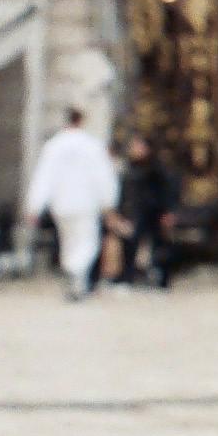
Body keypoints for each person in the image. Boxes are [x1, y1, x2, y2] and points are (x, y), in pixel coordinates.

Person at [25, 108, 120, 300]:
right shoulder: (93, 146)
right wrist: (109, 202)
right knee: (87, 242)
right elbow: (104, 177)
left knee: (68, 241)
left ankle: (71, 271)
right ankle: (78, 273)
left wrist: (34, 205)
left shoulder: (53, 146)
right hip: (86, 203)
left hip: (61, 203)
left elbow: (43, 177)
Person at [105, 134, 177, 288]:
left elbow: (167, 189)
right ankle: (127, 275)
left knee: (158, 246)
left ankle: (160, 278)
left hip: (153, 212)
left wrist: (168, 211)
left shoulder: (156, 168)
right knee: (129, 245)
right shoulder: (130, 167)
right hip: (134, 212)